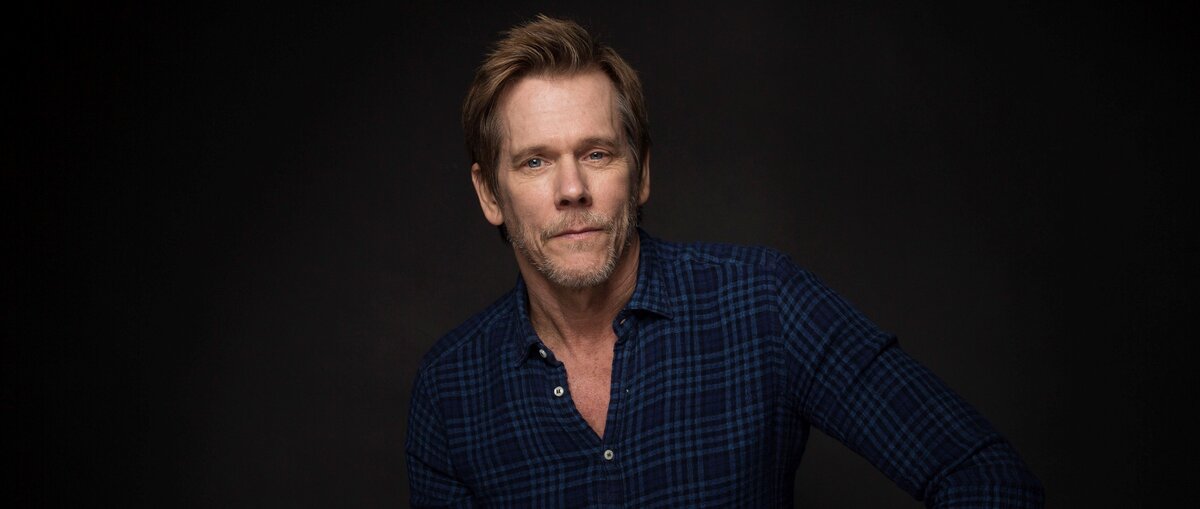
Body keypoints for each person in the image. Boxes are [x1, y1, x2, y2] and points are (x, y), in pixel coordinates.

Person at [406, 14, 1043, 508]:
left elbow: (984, 477)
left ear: (641, 173)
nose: (572, 189)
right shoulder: (450, 389)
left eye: (597, 153)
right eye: (535, 161)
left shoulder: (765, 303)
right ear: (490, 194)